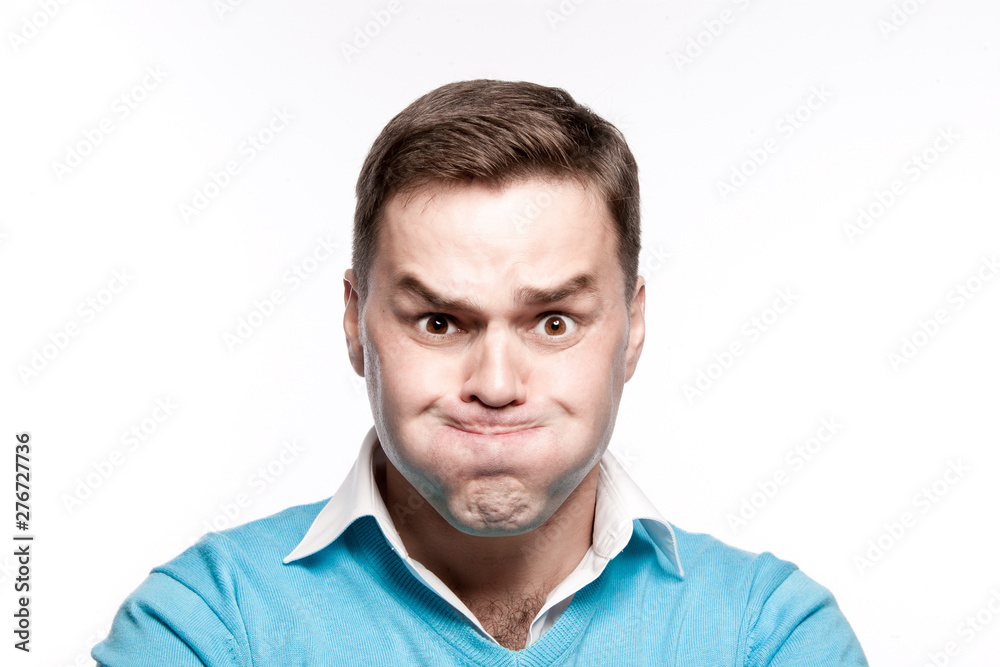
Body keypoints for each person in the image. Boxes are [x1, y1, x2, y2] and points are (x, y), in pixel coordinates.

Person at [93, 79, 868, 665]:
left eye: (553, 321)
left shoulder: (765, 634)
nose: (496, 383)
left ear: (632, 329)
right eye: (439, 321)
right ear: (354, 323)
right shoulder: (210, 623)